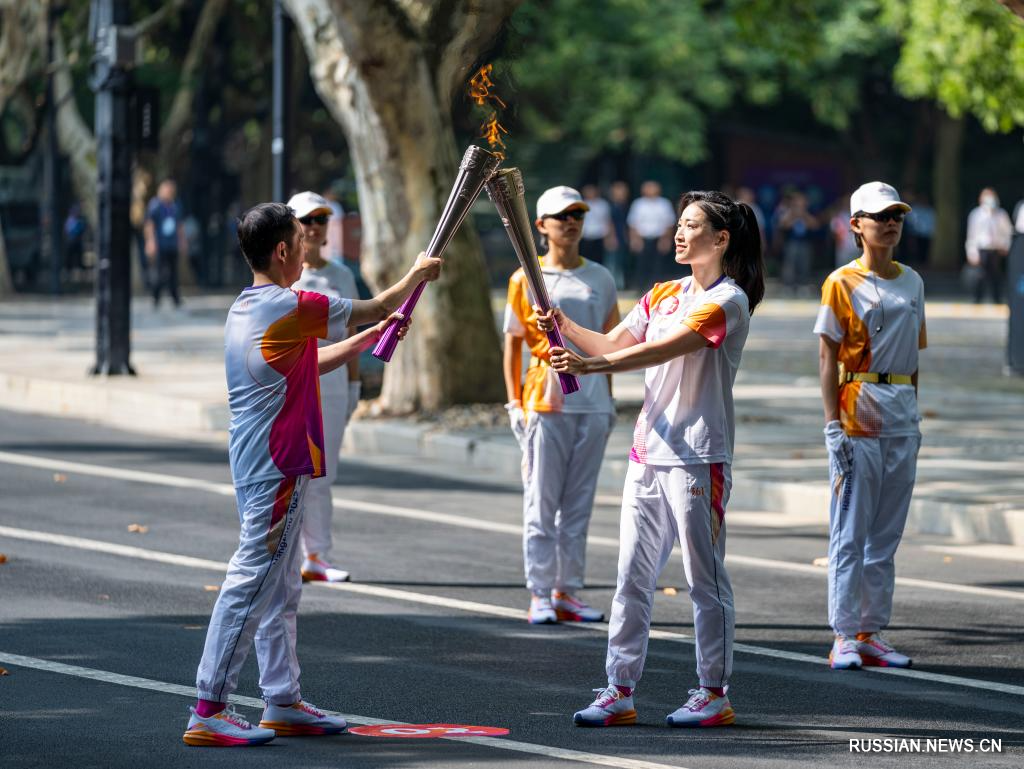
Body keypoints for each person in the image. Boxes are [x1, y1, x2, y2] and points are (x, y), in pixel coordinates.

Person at [183, 202, 441, 747]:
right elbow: (376, 303)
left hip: (268, 461)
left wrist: (371, 338)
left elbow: (305, 359)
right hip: (276, 462)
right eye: (302, 242)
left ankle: (282, 699)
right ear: (282, 251)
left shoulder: (250, 307)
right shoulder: (287, 303)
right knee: (253, 580)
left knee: (280, 587)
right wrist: (417, 274)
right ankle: (209, 706)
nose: (309, 250)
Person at [539, 191, 765, 728]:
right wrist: (566, 326)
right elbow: (611, 341)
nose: (679, 234)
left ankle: (714, 691)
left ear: (722, 239)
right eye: (679, 225)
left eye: (691, 226)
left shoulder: (729, 300)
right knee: (630, 576)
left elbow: (667, 350)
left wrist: (594, 370)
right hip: (647, 452)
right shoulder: (663, 292)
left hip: (697, 456)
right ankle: (619, 688)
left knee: (702, 579)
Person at [814, 181, 925, 672]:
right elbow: (826, 357)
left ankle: (871, 631)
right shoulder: (841, 282)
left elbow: (914, 360)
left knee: (886, 534)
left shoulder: (913, 282)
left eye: (896, 214)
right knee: (850, 532)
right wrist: (830, 425)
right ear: (856, 224)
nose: (891, 223)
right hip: (857, 410)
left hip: (902, 413)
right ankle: (843, 635)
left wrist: (915, 412)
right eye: (880, 216)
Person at [503, 185, 620, 625]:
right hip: (544, 397)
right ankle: (539, 592)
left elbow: (611, 344)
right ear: (541, 226)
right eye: (561, 216)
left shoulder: (601, 278)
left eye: (577, 214)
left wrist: (609, 402)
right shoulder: (526, 278)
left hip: (591, 401)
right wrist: (514, 402)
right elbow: (512, 343)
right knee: (541, 500)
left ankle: (567, 590)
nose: (571, 222)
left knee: (579, 502)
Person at [288, 191, 360, 583]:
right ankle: (284, 551)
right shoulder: (286, 277)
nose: (314, 227)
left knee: (323, 473)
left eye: (320, 219)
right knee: (294, 473)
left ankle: (316, 555)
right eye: (307, 220)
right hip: (295, 384)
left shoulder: (342, 274)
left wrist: (353, 388)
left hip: (331, 385)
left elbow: (350, 331)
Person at [964, 188, 1013, 303]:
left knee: (996, 276)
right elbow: (972, 235)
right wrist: (972, 252)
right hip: (982, 249)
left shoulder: (1001, 214)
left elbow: (1008, 232)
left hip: (996, 249)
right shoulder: (976, 214)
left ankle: (997, 299)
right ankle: (977, 299)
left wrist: (1006, 246)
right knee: (979, 276)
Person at [145, 178, 187, 308]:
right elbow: (149, 224)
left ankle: (175, 298)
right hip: (160, 245)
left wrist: (182, 241)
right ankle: (155, 297)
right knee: (159, 273)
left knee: (174, 273)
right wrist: (150, 242)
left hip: (172, 244)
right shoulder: (155, 205)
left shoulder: (175, 205)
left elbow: (179, 225)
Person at [627, 181, 677, 289]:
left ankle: (656, 289)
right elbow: (632, 223)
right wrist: (634, 240)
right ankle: (640, 288)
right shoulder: (638, 203)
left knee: (658, 266)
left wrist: (666, 240)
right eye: (648, 188)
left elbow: (669, 223)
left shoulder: (664, 203)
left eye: (653, 188)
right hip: (642, 239)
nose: (650, 190)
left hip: (659, 238)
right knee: (641, 265)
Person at [774, 190, 818, 294]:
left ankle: (803, 285)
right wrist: (793, 214)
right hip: (791, 242)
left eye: (802, 202)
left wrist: (803, 214)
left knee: (804, 264)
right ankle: (788, 286)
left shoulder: (809, 212)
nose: (799, 204)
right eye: (797, 202)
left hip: (805, 242)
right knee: (790, 265)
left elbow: (814, 225)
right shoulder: (788, 211)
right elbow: (783, 224)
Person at [579, 184, 614, 265]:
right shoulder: (581, 204)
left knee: (599, 259)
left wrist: (609, 237)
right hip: (585, 236)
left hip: (599, 235)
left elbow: (607, 221)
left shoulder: (603, 204)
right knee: (585, 259)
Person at [608, 181, 631, 289]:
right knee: (612, 261)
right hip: (614, 237)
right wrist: (611, 237)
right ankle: (614, 285)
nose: (621, 194)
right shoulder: (610, 206)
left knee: (622, 261)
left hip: (623, 237)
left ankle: (621, 284)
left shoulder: (626, 206)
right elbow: (609, 223)